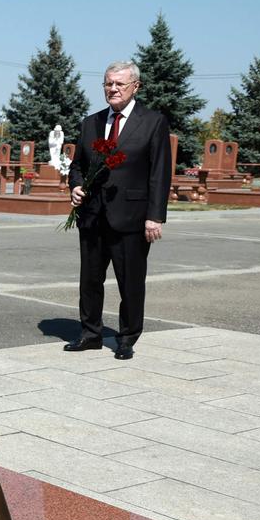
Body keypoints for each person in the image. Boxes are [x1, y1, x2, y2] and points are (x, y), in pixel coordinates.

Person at [66, 60, 171, 360]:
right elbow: (78, 166)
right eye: (108, 83)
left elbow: (160, 172)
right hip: (93, 216)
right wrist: (74, 186)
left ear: (135, 86)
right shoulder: (91, 123)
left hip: (133, 218)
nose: (112, 89)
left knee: (131, 281)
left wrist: (155, 216)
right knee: (89, 280)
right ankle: (90, 334)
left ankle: (127, 337)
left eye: (119, 84)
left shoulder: (152, 122)